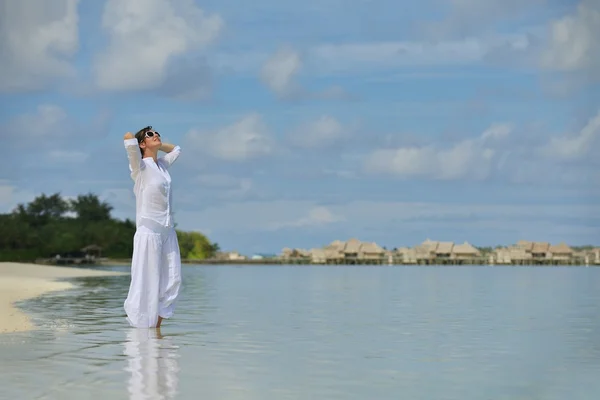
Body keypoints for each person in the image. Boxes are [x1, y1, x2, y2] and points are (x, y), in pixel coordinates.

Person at [122, 126, 182, 329]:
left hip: (167, 230)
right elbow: (128, 137)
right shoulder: (140, 167)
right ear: (142, 143)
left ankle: (155, 330)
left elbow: (176, 149)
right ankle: (141, 332)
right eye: (150, 134)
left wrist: (154, 144)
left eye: (157, 132)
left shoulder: (162, 166)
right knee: (145, 282)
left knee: (173, 280)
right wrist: (143, 141)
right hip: (149, 231)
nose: (156, 135)